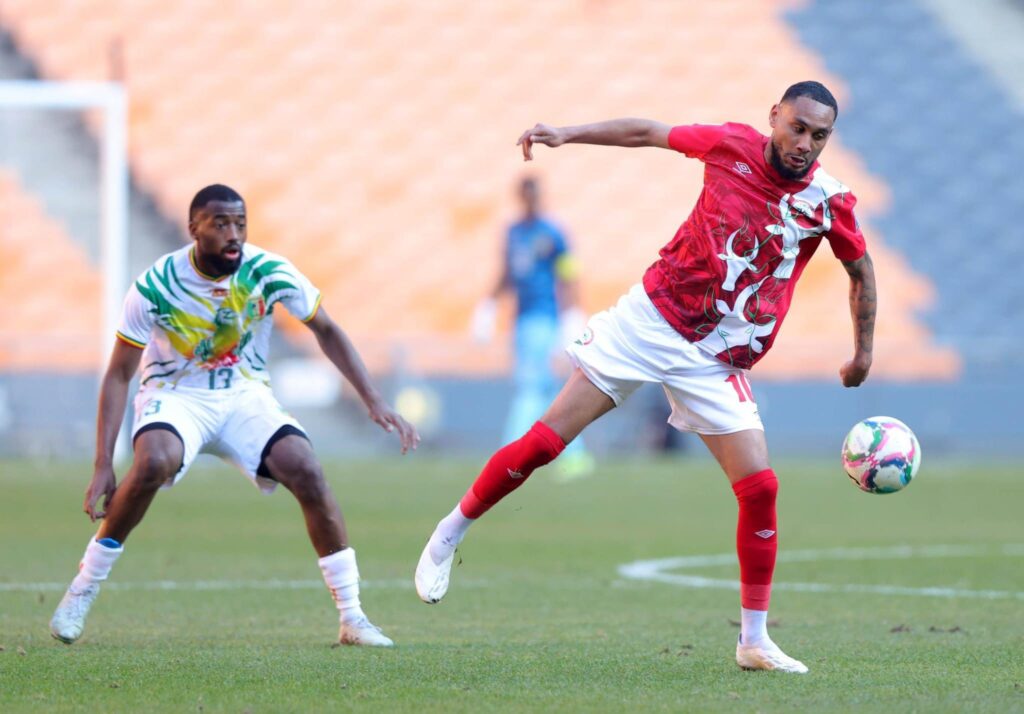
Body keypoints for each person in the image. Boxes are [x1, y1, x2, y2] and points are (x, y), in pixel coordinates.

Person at [416, 82, 876, 673]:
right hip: (650, 322)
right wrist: (566, 133)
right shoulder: (729, 145)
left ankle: (754, 641)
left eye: (819, 135)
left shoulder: (828, 201)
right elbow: (647, 132)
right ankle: (451, 530)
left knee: (760, 489)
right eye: (797, 127)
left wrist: (862, 353)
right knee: (544, 443)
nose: (804, 143)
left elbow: (860, 270)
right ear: (774, 118)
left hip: (715, 358)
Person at [50, 184, 419, 647]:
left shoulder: (268, 270)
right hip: (176, 395)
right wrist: (103, 463)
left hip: (244, 395)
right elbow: (120, 374)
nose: (233, 234)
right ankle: (81, 591)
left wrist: (374, 399)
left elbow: (327, 330)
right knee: (152, 461)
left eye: (240, 224)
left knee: (306, 468)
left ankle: (353, 618)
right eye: (221, 223)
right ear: (194, 229)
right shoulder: (156, 284)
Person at [471, 176, 592, 477]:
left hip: (545, 315)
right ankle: (572, 455)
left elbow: (568, 274)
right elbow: (507, 273)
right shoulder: (513, 233)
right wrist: (489, 305)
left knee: (532, 384)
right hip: (523, 318)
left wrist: (571, 313)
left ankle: (510, 451)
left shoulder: (552, 233)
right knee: (546, 386)